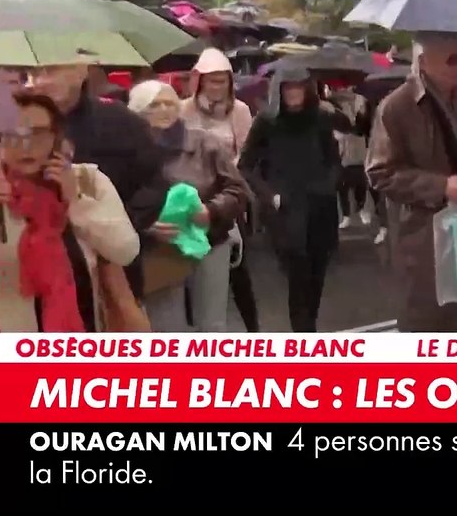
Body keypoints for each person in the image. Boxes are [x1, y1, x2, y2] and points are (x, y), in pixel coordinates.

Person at [366, 32, 457, 332]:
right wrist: (440, 186)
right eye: (451, 59)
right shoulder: (397, 107)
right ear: (423, 62)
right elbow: (380, 172)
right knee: (439, 325)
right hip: (428, 236)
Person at [0, 93, 139, 331]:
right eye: (13, 134)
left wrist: (75, 201)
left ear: (56, 137)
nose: (26, 146)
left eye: (38, 134)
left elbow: (125, 251)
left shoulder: (88, 181)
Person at [12, 61, 167, 299]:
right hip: (36, 273)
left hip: (111, 271)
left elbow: (154, 183)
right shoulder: (11, 126)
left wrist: (115, 224)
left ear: (81, 71)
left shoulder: (119, 121)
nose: (42, 80)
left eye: (52, 70)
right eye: (33, 72)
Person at [128, 81, 251, 332]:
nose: (164, 109)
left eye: (169, 103)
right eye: (154, 104)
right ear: (138, 110)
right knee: (167, 327)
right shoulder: (130, 150)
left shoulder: (206, 142)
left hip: (209, 240)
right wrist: (145, 225)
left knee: (212, 326)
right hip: (159, 248)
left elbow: (238, 190)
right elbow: (121, 198)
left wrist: (211, 210)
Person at [240, 66, 341, 332]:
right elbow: (245, 165)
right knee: (297, 276)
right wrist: (270, 195)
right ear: (279, 91)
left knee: (317, 273)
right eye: (288, 88)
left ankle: (310, 327)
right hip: (286, 209)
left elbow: (333, 158)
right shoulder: (266, 121)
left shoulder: (320, 118)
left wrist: (329, 184)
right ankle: (303, 334)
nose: (294, 93)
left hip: (320, 205)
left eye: (299, 87)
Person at [179, 47, 258, 331]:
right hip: (192, 195)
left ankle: (253, 330)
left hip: (229, 193)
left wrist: (230, 170)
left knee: (238, 271)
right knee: (188, 269)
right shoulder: (183, 110)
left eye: (222, 81)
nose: (217, 87)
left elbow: (248, 151)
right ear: (199, 80)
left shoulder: (240, 111)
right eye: (211, 81)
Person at [331, 87, 372, 230]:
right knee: (342, 186)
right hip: (343, 154)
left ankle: (361, 209)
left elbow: (364, 124)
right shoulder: (335, 104)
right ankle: (346, 215)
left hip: (359, 150)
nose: (344, 90)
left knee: (360, 184)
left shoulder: (361, 100)